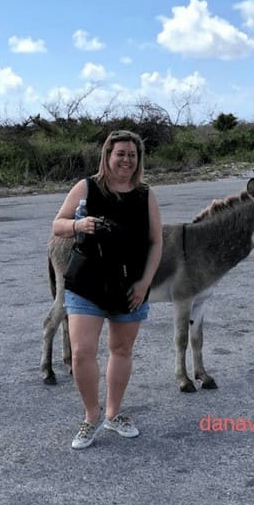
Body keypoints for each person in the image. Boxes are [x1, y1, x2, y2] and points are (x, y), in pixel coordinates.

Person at [52, 130, 163, 450]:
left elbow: (156, 242)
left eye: (132, 154)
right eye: (121, 153)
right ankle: (91, 416)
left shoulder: (145, 195)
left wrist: (144, 284)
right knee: (83, 352)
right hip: (86, 284)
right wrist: (78, 225)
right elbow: (57, 224)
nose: (127, 159)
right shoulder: (86, 187)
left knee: (121, 350)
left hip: (130, 286)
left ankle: (114, 414)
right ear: (107, 156)